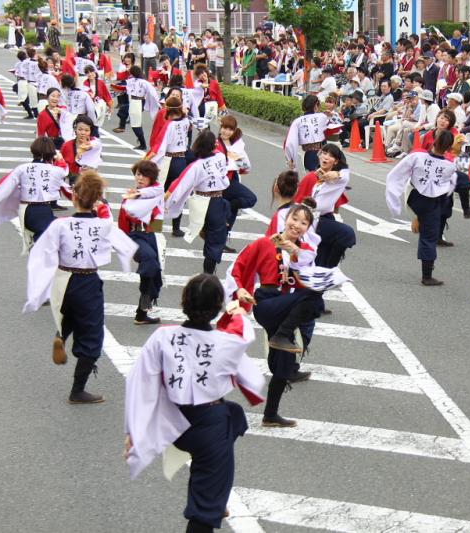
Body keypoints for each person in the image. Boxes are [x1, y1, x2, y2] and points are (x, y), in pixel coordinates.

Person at [124, 273, 265, 533]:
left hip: (171, 419)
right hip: (208, 427)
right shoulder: (227, 341)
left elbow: (140, 382)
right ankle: (213, 499)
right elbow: (243, 335)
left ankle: (216, 495)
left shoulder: (162, 337)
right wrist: (237, 310)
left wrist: (134, 430)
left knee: (234, 416)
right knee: (203, 512)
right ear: (217, 307)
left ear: (183, 303)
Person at [23, 171, 138, 403]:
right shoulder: (104, 226)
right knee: (92, 335)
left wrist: (39, 288)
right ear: (97, 199)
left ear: (74, 196)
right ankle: (77, 390)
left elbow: (41, 254)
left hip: (63, 279)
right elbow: (129, 248)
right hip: (88, 281)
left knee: (69, 312)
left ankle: (62, 335)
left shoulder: (60, 225)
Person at [229, 203, 348, 427]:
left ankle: (270, 415)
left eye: (304, 223)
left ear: (308, 229)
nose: (298, 225)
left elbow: (306, 267)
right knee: (314, 299)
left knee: (283, 364)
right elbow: (238, 267)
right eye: (295, 219)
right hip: (266, 302)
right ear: (286, 219)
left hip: (286, 306)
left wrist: (294, 251)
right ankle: (282, 335)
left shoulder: (305, 252)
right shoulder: (264, 243)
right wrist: (240, 288)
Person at [386, 130, 458, 286]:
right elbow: (450, 186)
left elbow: (396, 175)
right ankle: (427, 275)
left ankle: (419, 217)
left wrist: (394, 201)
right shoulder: (450, 166)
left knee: (427, 217)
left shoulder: (416, 156)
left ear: (433, 140)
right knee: (428, 237)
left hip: (414, 197)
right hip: (432, 201)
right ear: (448, 148)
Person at [0, 137, 70, 249]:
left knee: (49, 235)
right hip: (42, 210)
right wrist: (60, 159)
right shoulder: (55, 170)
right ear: (52, 153)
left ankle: (37, 249)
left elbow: (4, 187)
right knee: (56, 234)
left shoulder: (22, 168)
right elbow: (64, 170)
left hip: (26, 210)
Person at [165, 130, 232, 275]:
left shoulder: (196, 166)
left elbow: (180, 186)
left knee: (212, 236)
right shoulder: (220, 157)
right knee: (215, 241)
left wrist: (166, 202)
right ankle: (208, 272)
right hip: (216, 200)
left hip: (201, 202)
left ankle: (204, 233)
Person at [118, 159, 165, 325]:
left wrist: (156, 233)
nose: (140, 178)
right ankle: (145, 299)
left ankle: (141, 313)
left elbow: (159, 214)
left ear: (151, 179)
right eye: (138, 174)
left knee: (155, 272)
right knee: (150, 260)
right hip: (134, 236)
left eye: (144, 176)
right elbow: (125, 219)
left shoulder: (155, 193)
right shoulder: (130, 196)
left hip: (150, 235)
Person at [294, 144, 355, 268]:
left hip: (324, 217)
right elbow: (298, 200)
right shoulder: (311, 177)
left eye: (331, 156)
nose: (326, 157)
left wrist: (337, 175)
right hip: (309, 219)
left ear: (336, 161)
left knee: (345, 236)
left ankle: (329, 268)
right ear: (319, 155)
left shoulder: (339, 178)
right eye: (324, 153)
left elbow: (346, 174)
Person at [147, 95, 191, 237]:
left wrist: (148, 161)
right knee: (179, 193)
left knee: (161, 194)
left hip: (169, 161)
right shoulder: (186, 121)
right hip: (182, 160)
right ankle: (176, 227)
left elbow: (160, 148)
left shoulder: (169, 125)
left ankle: (155, 226)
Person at [215, 115, 256, 248]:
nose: (226, 132)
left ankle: (222, 240)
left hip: (232, 180)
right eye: (224, 128)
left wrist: (240, 165)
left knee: (238, 205)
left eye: (230, 129)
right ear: (220, 127)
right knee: (249, 199)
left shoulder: (236, 144)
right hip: (220, 183)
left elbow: (243, 165)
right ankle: (217, 236)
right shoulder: (215, 143)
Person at [285, 95, 331, 173]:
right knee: (323, 181)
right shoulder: (322, 117)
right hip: (324, 154)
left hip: (309, 155)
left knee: (312, 180)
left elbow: (289, 143)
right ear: (316, 105)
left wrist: (290, 158)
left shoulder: (297, 121)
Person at [126, 65, 162, 150]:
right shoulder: (138, 81)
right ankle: (141, 142)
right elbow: (153, 92)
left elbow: (152, 93)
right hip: (135, 102)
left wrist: (158, 103)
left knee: (135, 125)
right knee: (136, 123)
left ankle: (142, 143)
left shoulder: (139, 82)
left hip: (136, 102)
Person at [61, 115, 103, 185]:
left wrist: (85, 147)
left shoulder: (95, 144)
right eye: (80, 129)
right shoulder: (66, 146)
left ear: (90, 131)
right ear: (75, 129)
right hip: (73, 182)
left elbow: (93, 145)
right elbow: (61, 166)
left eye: (86, 130)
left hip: (89, 181)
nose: (83, 133)